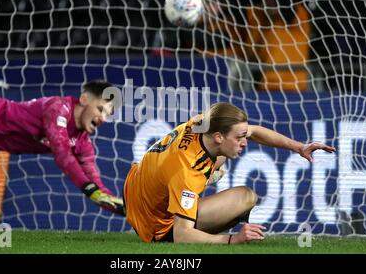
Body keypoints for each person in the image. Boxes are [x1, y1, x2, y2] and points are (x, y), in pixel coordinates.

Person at [123, 102, 336, 244]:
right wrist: (232, 239)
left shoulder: (202, 123)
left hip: (133, 188)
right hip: (153, 225)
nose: (245, 142)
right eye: (239, 137)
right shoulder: (187, 171)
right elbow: (181, 234)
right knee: (246, 197)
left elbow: (254, 132)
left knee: (222, 157)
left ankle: (209, 175)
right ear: (218, 136)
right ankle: (204, 182)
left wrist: (299, 147)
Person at [0, 78, 124, 215]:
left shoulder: (83, 144)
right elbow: (62, 152)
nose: (103, 119)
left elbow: (97, 186)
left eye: (108, 114)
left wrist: (125, 209)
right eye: (100, 109)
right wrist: (89, 189)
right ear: (84, 100)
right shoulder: (58, 107)